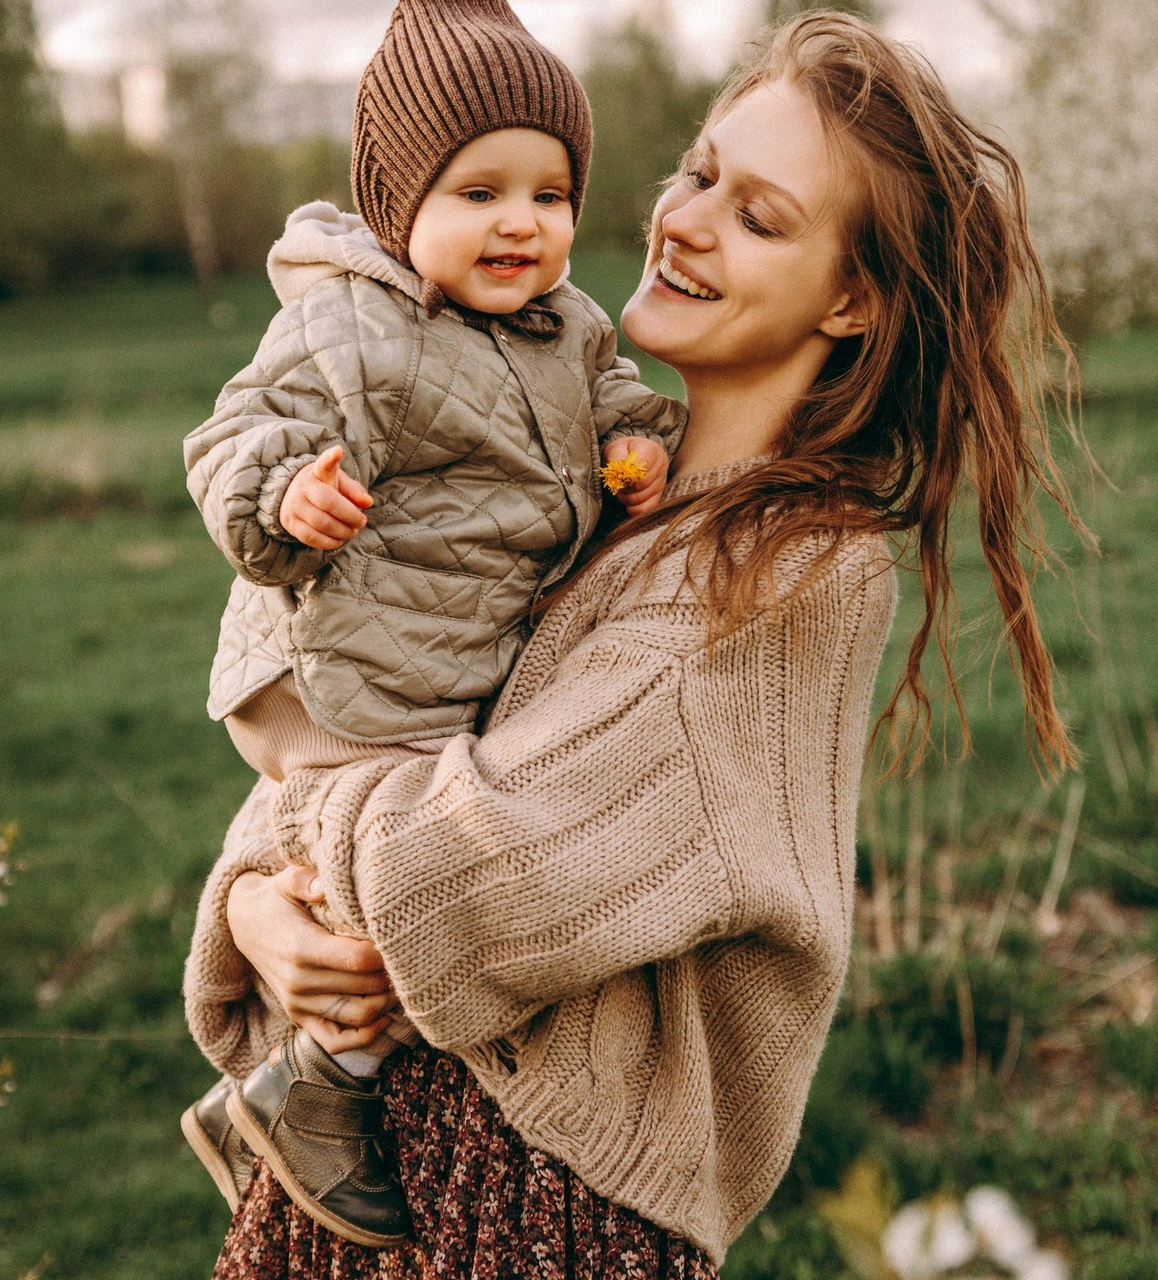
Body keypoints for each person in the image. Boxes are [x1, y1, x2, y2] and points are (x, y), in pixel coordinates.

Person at [183, 10, 1082, 1279]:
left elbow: (468, 867)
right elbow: (389, 728)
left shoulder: (787, 567)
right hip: (376, 1161)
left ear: (852, 300)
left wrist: (286, 871)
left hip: (537, 1207)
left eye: (758, 216)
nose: (686, 219)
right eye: (700, 171)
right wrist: (259, 911)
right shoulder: (604, 489)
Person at [178, 0, 686, 1249]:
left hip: (435, 659)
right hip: (338, 656)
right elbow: (231, 437)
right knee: (408, 877)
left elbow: (615, 395)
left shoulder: (566, 325)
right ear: (400, 206)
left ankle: (266, 1086)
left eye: (551, 194)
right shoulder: (350, 323)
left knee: (397, 875)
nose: (521, 222)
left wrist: (637, 441)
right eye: (479, 192)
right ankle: (318, 1088)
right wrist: (284, 498)